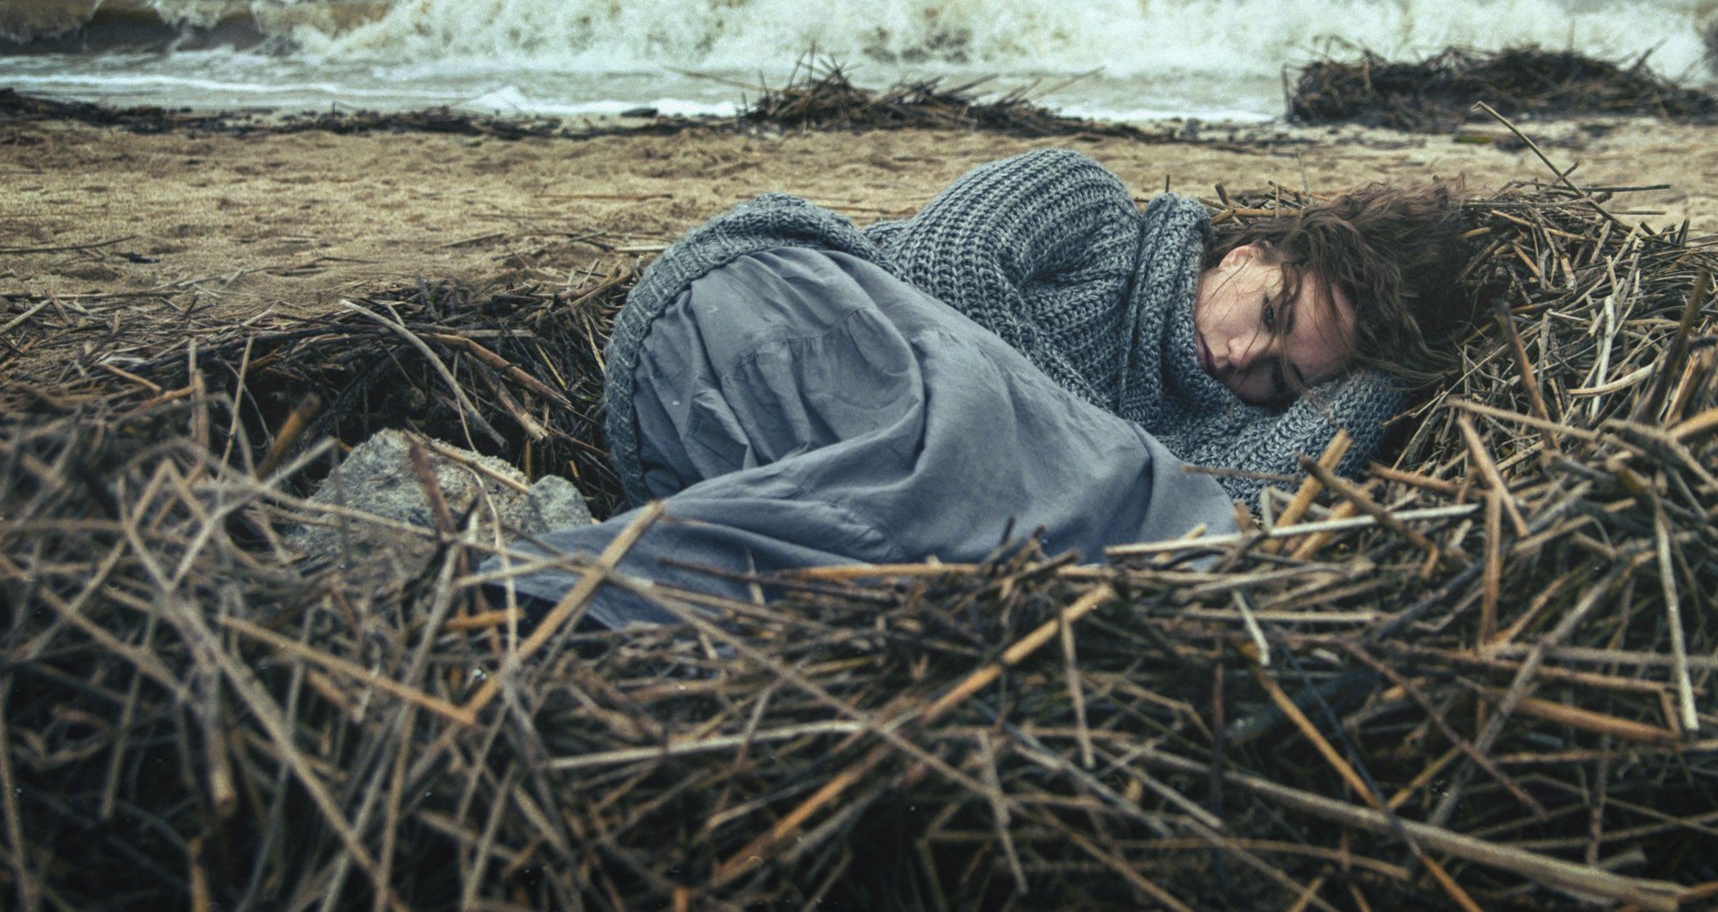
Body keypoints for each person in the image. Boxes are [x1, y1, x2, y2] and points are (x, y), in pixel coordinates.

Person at [496, 149, 1467, 625]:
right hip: (765, 311)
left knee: (926, 588)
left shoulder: (1191, 433)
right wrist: (1086, 442)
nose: (1241, 355)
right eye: (1271, 312)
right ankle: (533, 590)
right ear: (1248, 252)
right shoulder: (1100, 212)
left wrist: (1368, 386)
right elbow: (941, 266)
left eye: (1280, 375)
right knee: (1080, 464)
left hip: (733, 445)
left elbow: (1246, 511)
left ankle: (530, 595)